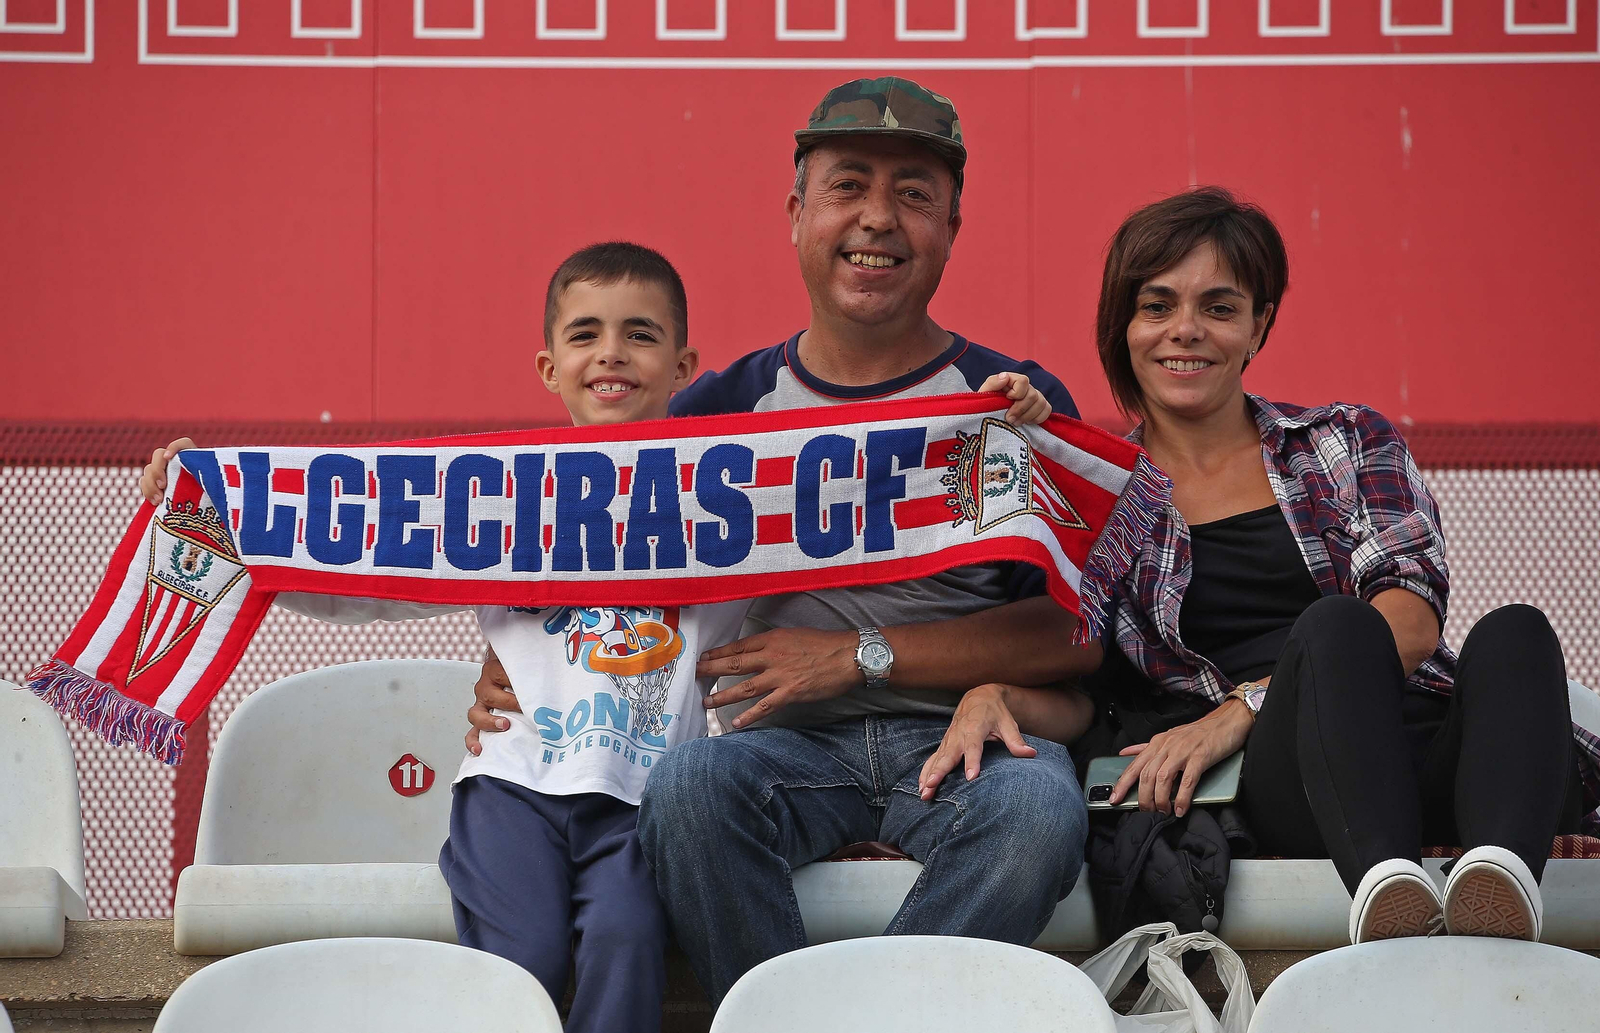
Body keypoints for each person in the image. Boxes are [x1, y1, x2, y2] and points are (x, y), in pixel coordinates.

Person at [140, 241, 1058, 1027]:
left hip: (642, 790)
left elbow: (870, 504)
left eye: (639, 335)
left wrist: (1008, 435)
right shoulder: (507, 488)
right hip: (514, 785)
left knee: (625, 942)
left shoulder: (725, 491)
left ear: (685, 367)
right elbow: (357, 563)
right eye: (584, 334)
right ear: (548, 365)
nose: (611, 355)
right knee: (519, 960)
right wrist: (217, 508)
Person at [466, 76, 1102, 1003]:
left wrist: (859, 656)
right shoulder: (722, 409)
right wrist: (526, 660)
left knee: (1039, 809)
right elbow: (577, 539)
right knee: (688, 793)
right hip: (783, 757)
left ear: (953, 229)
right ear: (798, 213)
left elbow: (1075, 636)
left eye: (915, 194)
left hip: (967, 742)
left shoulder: (1008, 404)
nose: (877, 219)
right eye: (848, 186)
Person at [925, 186, 1600, 947]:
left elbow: (1409, 618)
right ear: (1124, 326)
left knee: (1514, 630)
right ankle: (1389, 901)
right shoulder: (1105, 501)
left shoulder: (1343, 441)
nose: (1186, 331)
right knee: (1335, 627)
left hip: (1436, 753)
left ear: (1259, 326)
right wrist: (993, 692)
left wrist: (1237, 708)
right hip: (1303, 781)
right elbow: (1092, 697)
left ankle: (1500, 886)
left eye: (1219, 307)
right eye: (1157, 306)